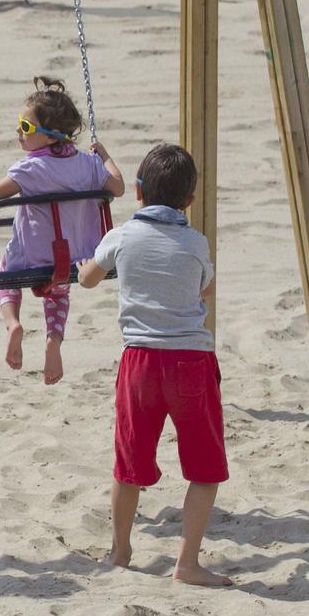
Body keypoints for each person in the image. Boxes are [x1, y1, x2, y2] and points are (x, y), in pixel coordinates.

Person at [77, 143, 230, 586]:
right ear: (191, 201)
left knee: (129, 464)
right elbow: (206, 287)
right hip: (191, 362)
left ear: (138, 191)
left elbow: (87, 279)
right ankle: (186, 563)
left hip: (140, 362)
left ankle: (121, 551)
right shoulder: (196, 241)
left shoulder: (122, 236)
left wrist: (92, 264)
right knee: (204, 467)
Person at [0, 76, 124, 384]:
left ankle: (13, 325)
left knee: (5, 269)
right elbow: (118, 186)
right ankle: (54, 340)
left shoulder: (31, 169)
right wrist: (105, 156)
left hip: (32, 255)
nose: (19, 132)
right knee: (59, 289)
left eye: (26, 127)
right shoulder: (89, 165)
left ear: (50, 137)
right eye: (19, 124)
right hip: (79, 256)